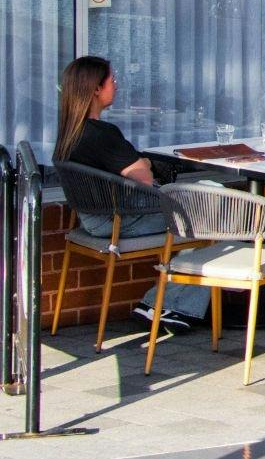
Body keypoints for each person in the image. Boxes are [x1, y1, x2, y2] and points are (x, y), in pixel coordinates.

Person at [52, 57, 210, 330]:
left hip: (94, 219)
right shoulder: (102, 134)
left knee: (201, 208)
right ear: (95, 89)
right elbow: (144, 179)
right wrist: (147, 163)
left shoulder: (70, 132)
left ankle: (163, 303)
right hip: (122, 219)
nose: (116, 84)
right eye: (112, 80)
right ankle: (166, 305)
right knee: (213, 213)